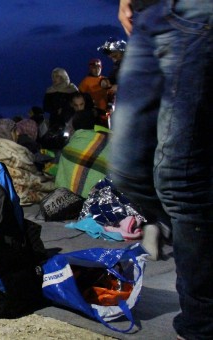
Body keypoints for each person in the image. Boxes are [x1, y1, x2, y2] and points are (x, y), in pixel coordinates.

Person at [111, 1, 212, 338]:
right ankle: (187, 231)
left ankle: (202, 323)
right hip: (147, 14)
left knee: (178, 179)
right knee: (127, 168)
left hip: (197, 10)